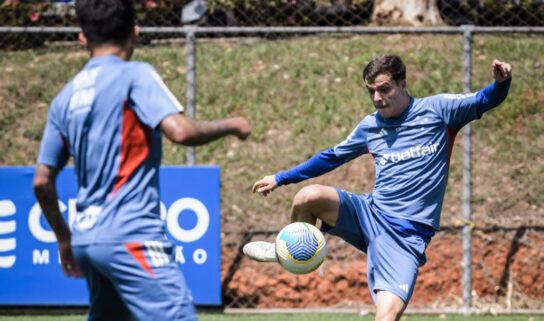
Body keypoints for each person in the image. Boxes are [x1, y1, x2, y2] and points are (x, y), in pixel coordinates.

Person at [244, 54, 512, 320]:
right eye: (371, 91)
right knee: (307, 197)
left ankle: (292, 252)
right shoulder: (371, 126)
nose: (377, 98)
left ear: (403, 85)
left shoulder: (439, 110)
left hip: (405, 237)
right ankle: (290, 251)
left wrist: (501, 83)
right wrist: (281, 178)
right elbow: (331, 157)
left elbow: (484, 99)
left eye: (384, 89)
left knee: (386, 318)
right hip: (369, 213)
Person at [32, 0, 251, 320]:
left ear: (83, 37)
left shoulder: (64, 98)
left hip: (86, 240)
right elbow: (181, 131)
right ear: (134, 33)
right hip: (130, 235)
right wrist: (232, 125)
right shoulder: (135, 75)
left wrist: (64, 238)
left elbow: (41, 181)